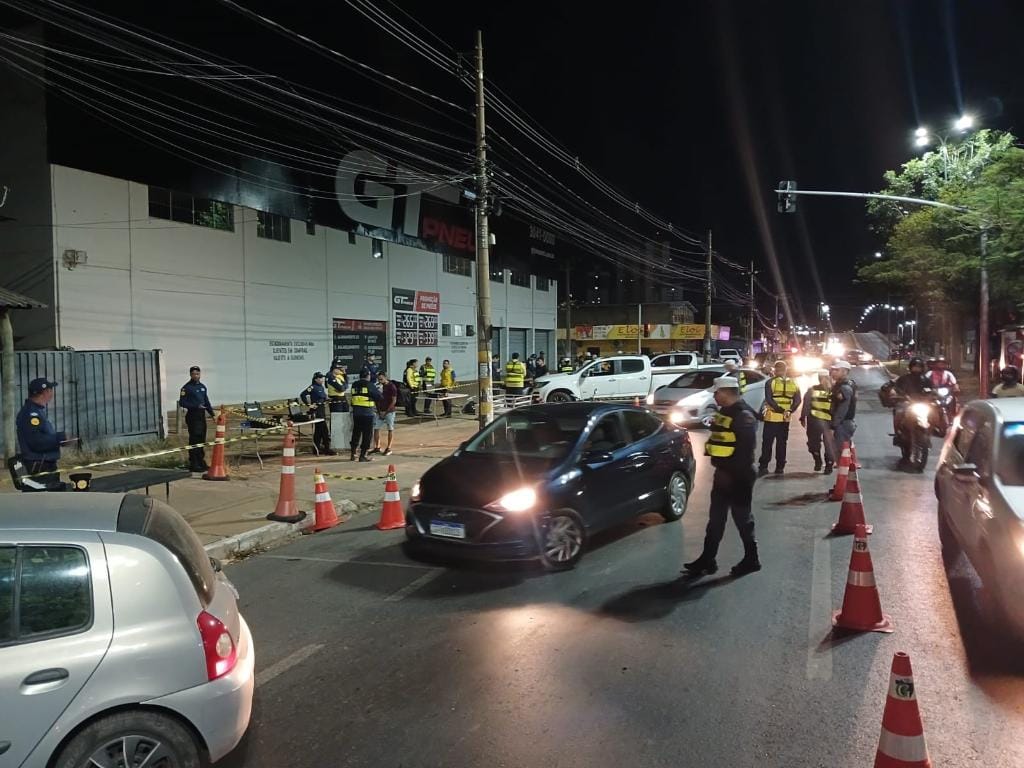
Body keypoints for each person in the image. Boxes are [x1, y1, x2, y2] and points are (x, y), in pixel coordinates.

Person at [684, 375, 761, 577]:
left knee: (742, 519)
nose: (715, 397)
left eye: (716, 393)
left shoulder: (744, 415)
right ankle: (708, 559)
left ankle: (752, 559)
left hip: (739, 476)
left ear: (726, 393)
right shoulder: (725, 412)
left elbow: (745, 452)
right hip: (724, 475)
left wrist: (731, 476)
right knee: (715, 519)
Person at [17, 377, 73, 483]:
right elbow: (36, 442)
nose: (52, 393)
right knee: (45, 497)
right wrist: (60, 438)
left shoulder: (35, 411)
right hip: (39, 467)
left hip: (42, 465)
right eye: (50, 390)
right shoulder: (31, 414)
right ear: (45, 392)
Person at [758, 360, 801, 476]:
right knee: (782, 443)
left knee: (767, 443)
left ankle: (763, 467)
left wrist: (778, 409)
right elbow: (798, 400)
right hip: (785, 419)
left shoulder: (770, 382)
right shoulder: (794, 383)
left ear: (775, 370)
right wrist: (790, 410)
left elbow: (769, 399)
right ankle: (780, 467)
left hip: (771, 417)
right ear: (785, 370)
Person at [178, 365, 215, 472]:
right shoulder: (186, 388)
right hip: (192, 416)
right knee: (194, 439)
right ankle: (194, 462)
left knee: (201, 439)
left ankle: (200, 461)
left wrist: (212, 414)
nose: (196, 376)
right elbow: (182, 402)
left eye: (197, 374)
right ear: (190, 375)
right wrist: (195, 406)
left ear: (200, 374)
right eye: (193, 374)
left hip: (201, 416)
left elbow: (206, 401)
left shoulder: (202, 387)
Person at [800, 370, 835, 474]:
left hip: (814, 421)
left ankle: (818, 461)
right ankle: (829, 465)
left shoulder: (812, 390)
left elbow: (806, 404)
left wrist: (803, 418)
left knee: (813, 443)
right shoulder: (834, 390)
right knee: (829, 445)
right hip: (829, 423)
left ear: (819, 378)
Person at [828, 360, 858, 463]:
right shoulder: (843, 385)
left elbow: (842, 409)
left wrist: (833, 426)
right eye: (833, 370)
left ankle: (845, 476)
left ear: (845, 372)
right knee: (843, 452)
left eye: (837, 370)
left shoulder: (844, 387)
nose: (833, 372)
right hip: (844, 423)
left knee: (842, 453)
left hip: (843, 424)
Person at [349, 370, 381, 462]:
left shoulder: (354, 384)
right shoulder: (369, 384)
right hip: (367, 413)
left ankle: (353, 453)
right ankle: (363, 455)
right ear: (368, 376)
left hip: (356, 413)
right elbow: (378, 397)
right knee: (367, 435)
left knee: (356, 433)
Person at [301, 372, 333, 455]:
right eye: (320, 378)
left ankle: (317, 448)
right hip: (317, 411)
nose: (322, 380)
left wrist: (327, 399)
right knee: (324, 431)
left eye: (322, 378)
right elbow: (303, 395)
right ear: (316, 379)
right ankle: (327, 448)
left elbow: (323, 396)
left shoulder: (321, 387)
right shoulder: (312, 387)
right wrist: (309, 405)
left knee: (318, 431)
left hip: (322, 410)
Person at [372, 371, 399, 455]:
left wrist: (386, 412)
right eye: (378, 379)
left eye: (381, 379)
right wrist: (379, 411)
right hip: (380, 411)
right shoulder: (378, 386)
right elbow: (376, 399)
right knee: (376, 428)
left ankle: (389, 447)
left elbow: (393, 401)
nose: (379, 381)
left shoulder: (392, 386)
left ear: (385, 378)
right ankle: (377, 446)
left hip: (389, 411)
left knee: (390, 428)